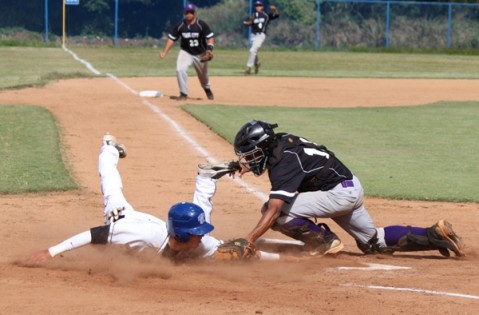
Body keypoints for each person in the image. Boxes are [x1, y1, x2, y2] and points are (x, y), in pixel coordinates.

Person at [27, 133, 281, 263]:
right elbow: (95, 235)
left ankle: (205, 179)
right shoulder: (133, 234)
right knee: (110, 187)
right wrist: (50, 252)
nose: (202, 236)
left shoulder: (200, 244)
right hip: (123, 218)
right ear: (181, 236)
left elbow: (240, 253)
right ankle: (109, 147)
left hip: (157, 228)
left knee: (202, 218)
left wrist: (278, 258)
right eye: (197, 232)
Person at [232, 119, 466, 258]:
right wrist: (246, 165)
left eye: (252, 154)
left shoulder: (283, 163)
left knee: (275, 212)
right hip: (349, 186)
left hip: (337, 194)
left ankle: (324, 241)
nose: (250, 160)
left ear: (263, 146)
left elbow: (274, 209)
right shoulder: (282, 142)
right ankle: (435, 234)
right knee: (373, 243)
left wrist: (249, 239)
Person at [159, 3, 215, 101]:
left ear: (194, 13)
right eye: (187, 12)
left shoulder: (201, 25)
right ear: (184, 13)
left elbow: (210, 38)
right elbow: (171, 39)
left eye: (191, 12)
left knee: (203, 76)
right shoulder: (180, 25)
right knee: (180, 69)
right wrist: (165, 52)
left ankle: (207, 89)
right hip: (186, 51)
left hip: (201, 53)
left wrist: (209, 49)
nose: (189, 14)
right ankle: (183, 93)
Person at [243, 1, 280, 75]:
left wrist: (275, 9)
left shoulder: (266, 15)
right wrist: (247, 23)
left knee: (252, 50)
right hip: (253, 35)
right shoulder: (253, 15)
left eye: (259, 5)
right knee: (253, 51)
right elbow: (247, 23)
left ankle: (249, 67)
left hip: (261, 35)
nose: (258, 7)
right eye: (256, 6)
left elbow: (277, 15)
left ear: (262, 7)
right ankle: (257, 63)